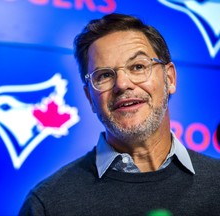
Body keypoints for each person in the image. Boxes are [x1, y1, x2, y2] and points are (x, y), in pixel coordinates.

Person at [19, 13, 220, 216]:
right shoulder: (48, 204)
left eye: (138, 67)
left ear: (170, 78)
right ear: (90, 97)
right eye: (104, 75)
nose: (122, 84)